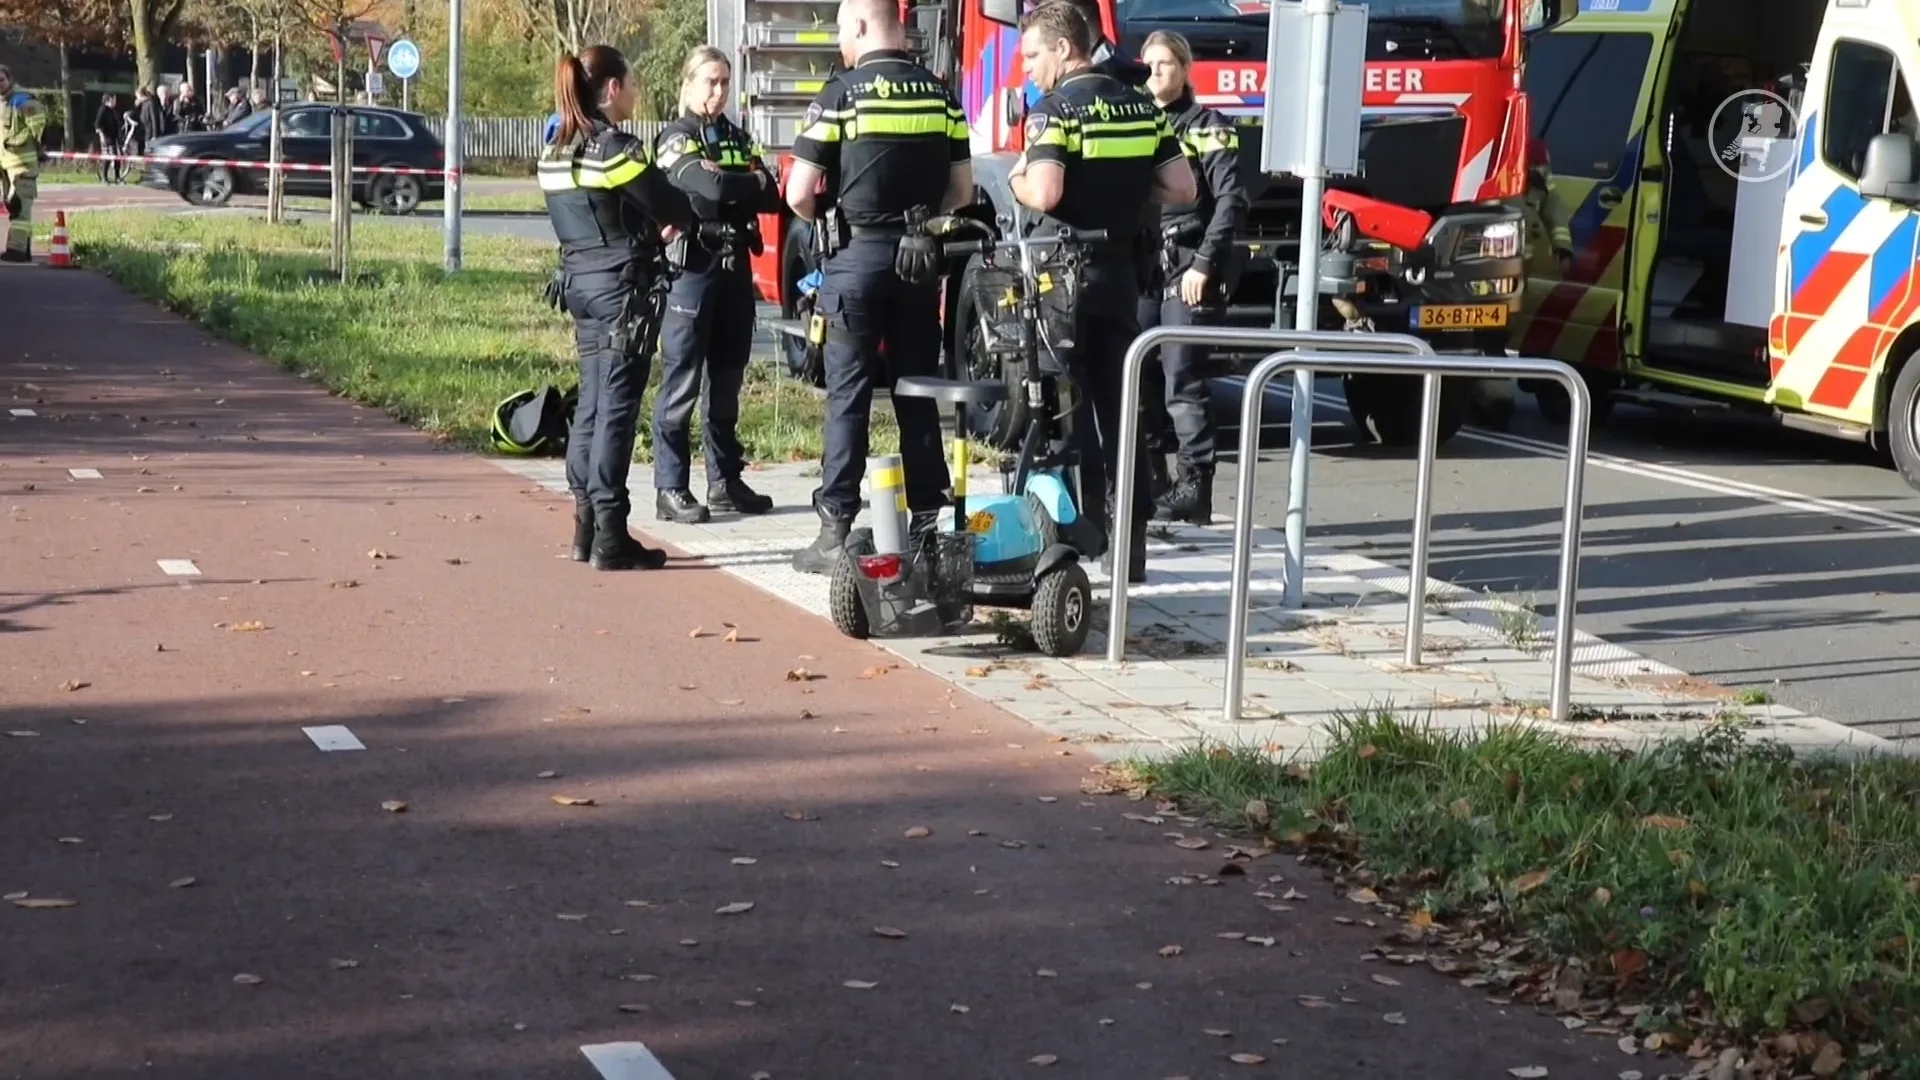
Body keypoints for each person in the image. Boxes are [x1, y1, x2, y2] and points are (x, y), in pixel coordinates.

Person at [782, 0, 974, 575]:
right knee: (918, 395)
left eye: (843, 31)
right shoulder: (941, 95)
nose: (841, 43)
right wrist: (916, 220)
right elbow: (961, 190)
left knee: (850, 396)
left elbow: (798, 192)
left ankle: (835, 529)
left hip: (854, 261)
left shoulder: (839, 95)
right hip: (918, 264)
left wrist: (832, 211)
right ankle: (926, 529)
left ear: (863, 27)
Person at [1008, 1, 1195, 583]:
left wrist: (1014, 177)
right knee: (1124, 410)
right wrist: (1127, 194)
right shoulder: (1141, 107)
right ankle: (1132, 546)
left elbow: (1044, 190)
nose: (1029, 71)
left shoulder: (1054, 109)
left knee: (1070, 409)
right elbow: (1182, 186)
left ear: (1065, 50)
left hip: (1065, 278)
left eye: (1034, 56)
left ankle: (1086, 534)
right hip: (1122, 276)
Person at [540, 45, 697, 570]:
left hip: (580, 286)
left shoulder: (555, 150)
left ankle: (585, 528)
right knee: (616, 411)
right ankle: (611, 534)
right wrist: (667, 222)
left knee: (589, 405)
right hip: (620, 291)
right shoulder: (614, 148)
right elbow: (672, 204)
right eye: (631, 83)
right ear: (611, 89)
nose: (635, 92)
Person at [649, 46, 783, 523]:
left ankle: (725, 480)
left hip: (733, 274)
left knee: (727, 381)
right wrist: (737, 182)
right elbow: (713, 191)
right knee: (682, 381)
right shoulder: (674, 136)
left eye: (725, 81)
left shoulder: (736, 136)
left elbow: (772, 194)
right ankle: (671, 486)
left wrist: (735, 181)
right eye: (709, 81)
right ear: (687, 84)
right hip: (692, 273)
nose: (718, 90)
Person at [1136, 29, 1247, 526]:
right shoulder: (1134, 121)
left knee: (1183, 376)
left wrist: (1204, 263)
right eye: (1149, 64)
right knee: (1137, 373)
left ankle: (1194, 487)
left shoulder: (1210, 126)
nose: (1155, 73)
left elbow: (1230, 201)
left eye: (1164, 64)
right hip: (1142, 264)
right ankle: (1152, 481)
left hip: (1188, 263)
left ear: (1184, 70)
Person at [0, 65, 46, 263]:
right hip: (6, 166)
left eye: (1, 79)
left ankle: (16, 250)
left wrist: (33, 146)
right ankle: (23, 248)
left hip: (22, 166)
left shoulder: (22, 101)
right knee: (13, 206)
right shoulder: (2, 103)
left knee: (20, 206)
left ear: (9, 79)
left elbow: (39, 129)